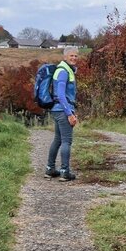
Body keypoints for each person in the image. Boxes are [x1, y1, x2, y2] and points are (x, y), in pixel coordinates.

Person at [46, 47, 80, 181]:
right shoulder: (63, 72)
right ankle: (65, 171)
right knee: (67, 141)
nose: (74, 58)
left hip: (57, 110)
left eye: (76, 56)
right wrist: (69, 113)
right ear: (65, 56)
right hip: (62, 110)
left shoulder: (64, 70)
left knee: (58, 139)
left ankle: (50, 169)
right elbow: (60, 94)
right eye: (71, 55)